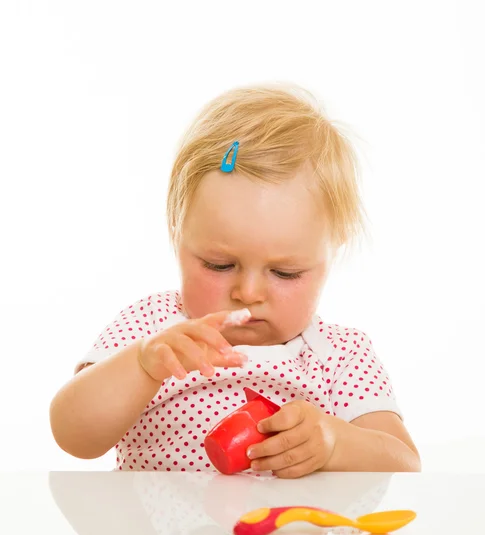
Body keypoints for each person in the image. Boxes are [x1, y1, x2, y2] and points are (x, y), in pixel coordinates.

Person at [49, 84, 421, 476]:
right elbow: (73, 436)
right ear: (177, 234)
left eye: (285, 272)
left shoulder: (340, 356)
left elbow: (404, 464)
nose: (248, 293)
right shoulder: (152, 328)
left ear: (332, 253)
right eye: (219, 264)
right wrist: (143, 365)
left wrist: (337, 443)